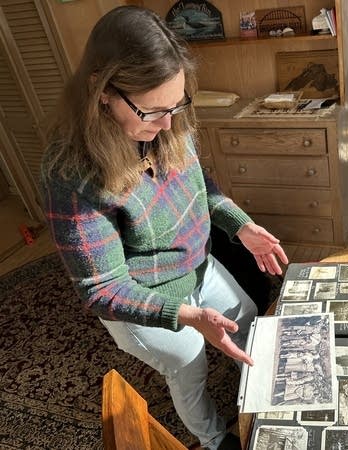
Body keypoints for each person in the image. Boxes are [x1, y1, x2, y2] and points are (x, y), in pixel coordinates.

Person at [40, 6, 288, 450]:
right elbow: (103, 289)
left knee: (249, 321)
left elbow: (201, 188)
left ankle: (265, 401)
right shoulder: (70, 173)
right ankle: (216, 441)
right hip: (144, 295)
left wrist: (241, 226)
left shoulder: (166, 124)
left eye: (176, 105)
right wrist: (186, 317)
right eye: (153, 111)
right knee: (189, 367)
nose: (168, 124)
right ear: (102, 93)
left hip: (199, 266)